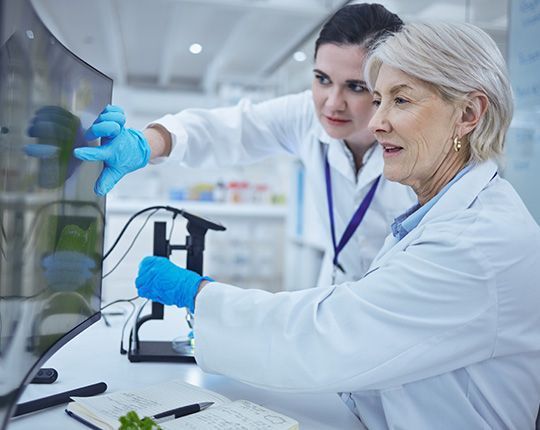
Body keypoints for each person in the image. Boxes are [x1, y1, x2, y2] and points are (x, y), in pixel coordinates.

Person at [134, 22, 540, 429]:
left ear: (468, 114)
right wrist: (150, 140)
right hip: (372, 389)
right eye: (379, 98)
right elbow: (237, 128)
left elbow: (333, 335)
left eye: (400, 100)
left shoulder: (476, 244)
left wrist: (199, 295)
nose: (376, 121)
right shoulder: (443, 205)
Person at [74, 3, 416, 286]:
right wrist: (146, 144)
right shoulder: (305, 116)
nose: (331, 103)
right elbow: (226, 130)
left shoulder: (421, 149)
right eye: (322, 80)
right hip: (335, 293)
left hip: (402, 309)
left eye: (355, 87)